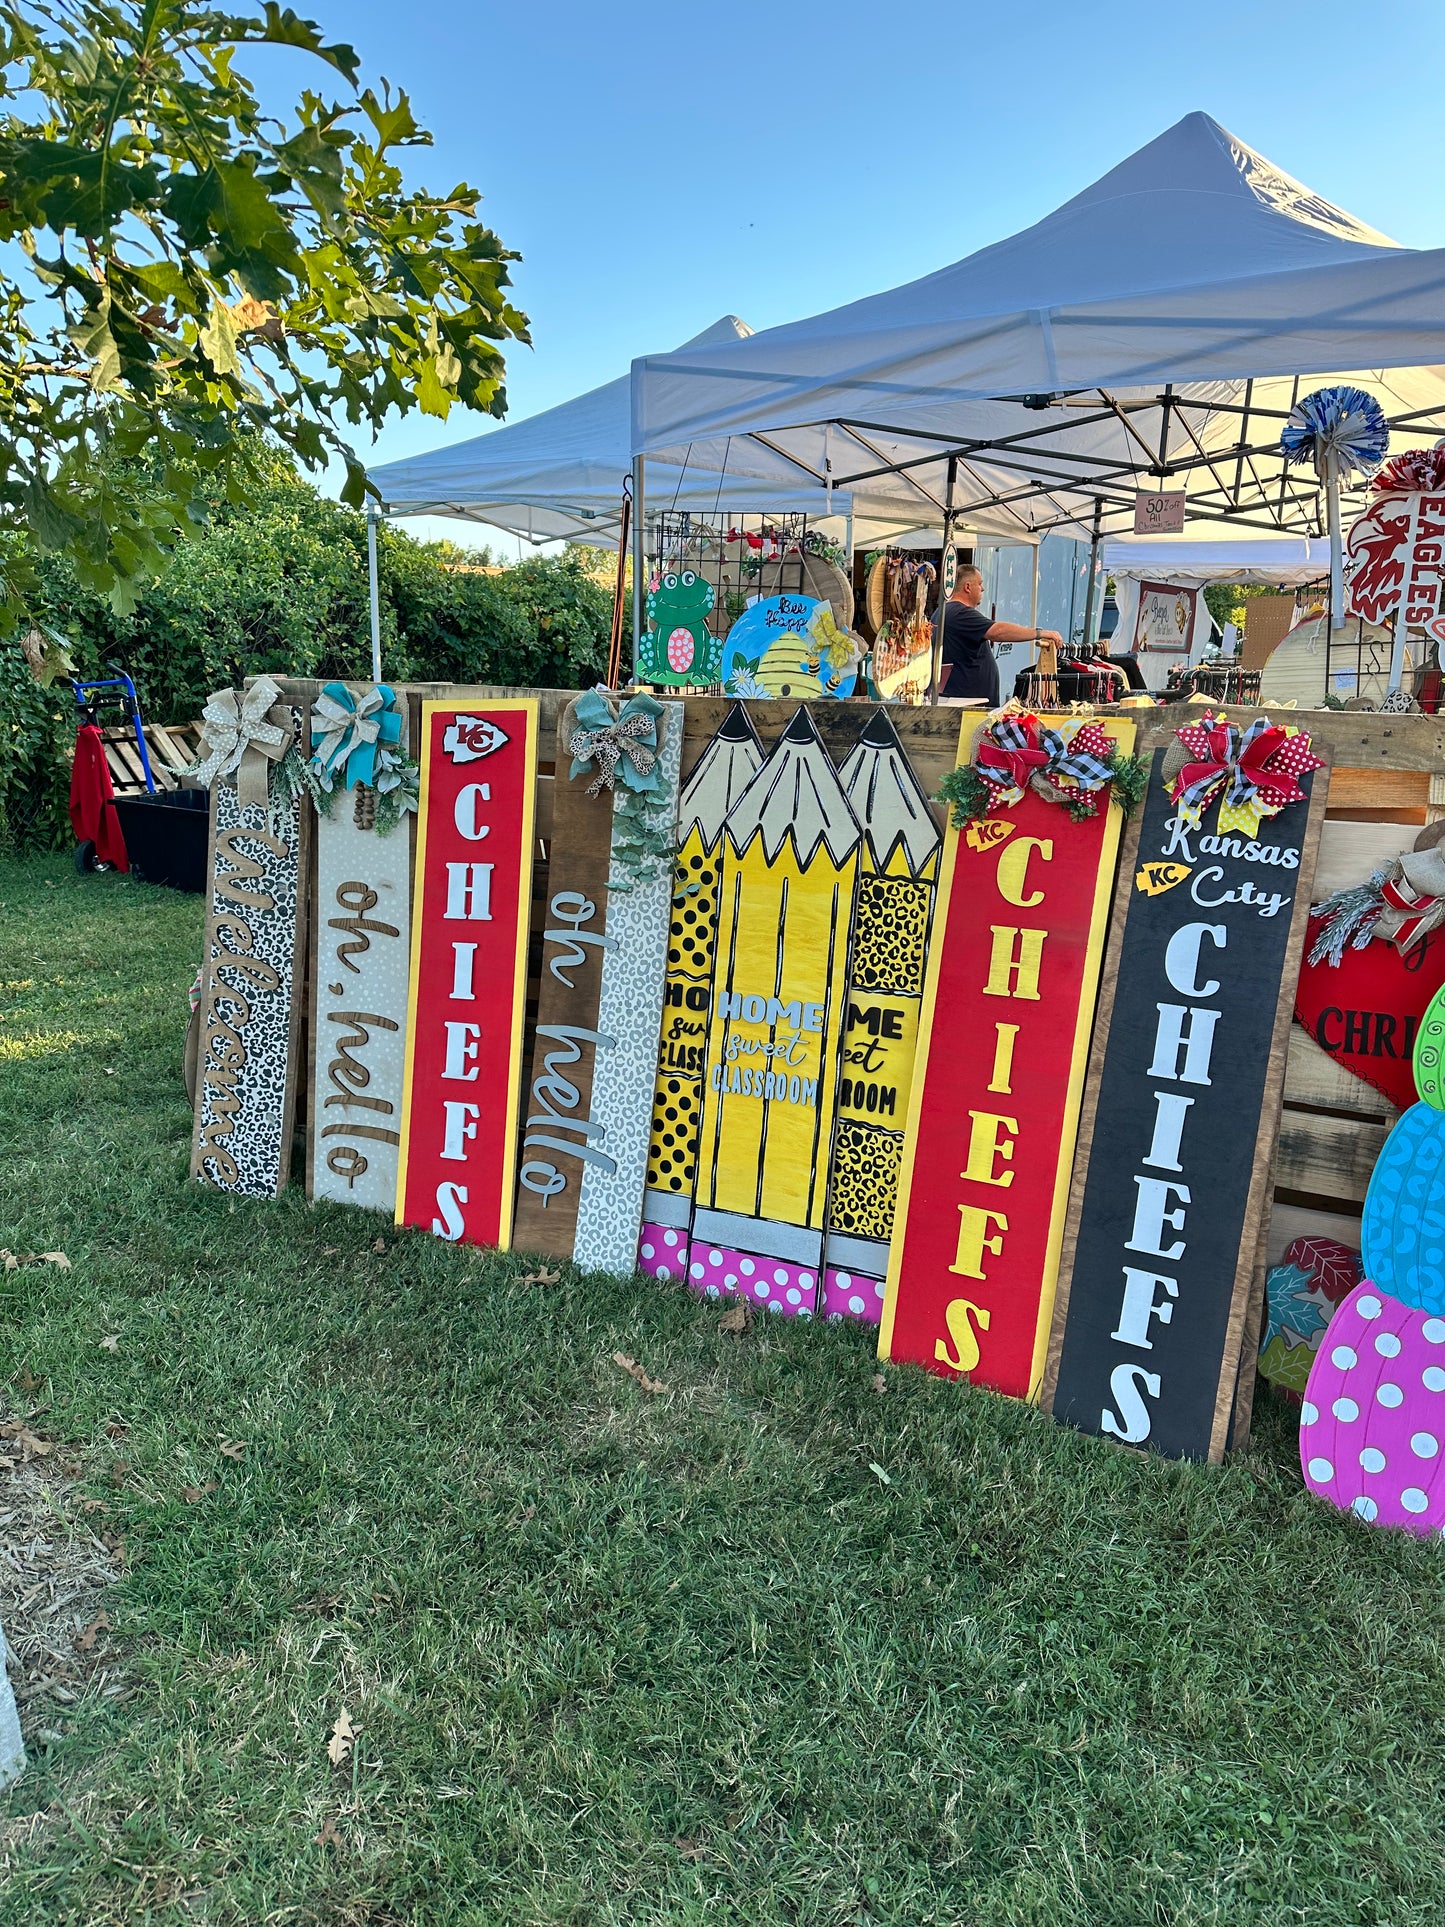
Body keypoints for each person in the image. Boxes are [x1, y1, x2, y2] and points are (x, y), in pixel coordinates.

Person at [937, 565, 1062, 703]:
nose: (982, 588)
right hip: (967, 704)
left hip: (963, 700)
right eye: (979, 584)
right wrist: (1040, 633)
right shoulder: (960, 613)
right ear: (967, 587)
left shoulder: (942, 611)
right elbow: (998, 631)